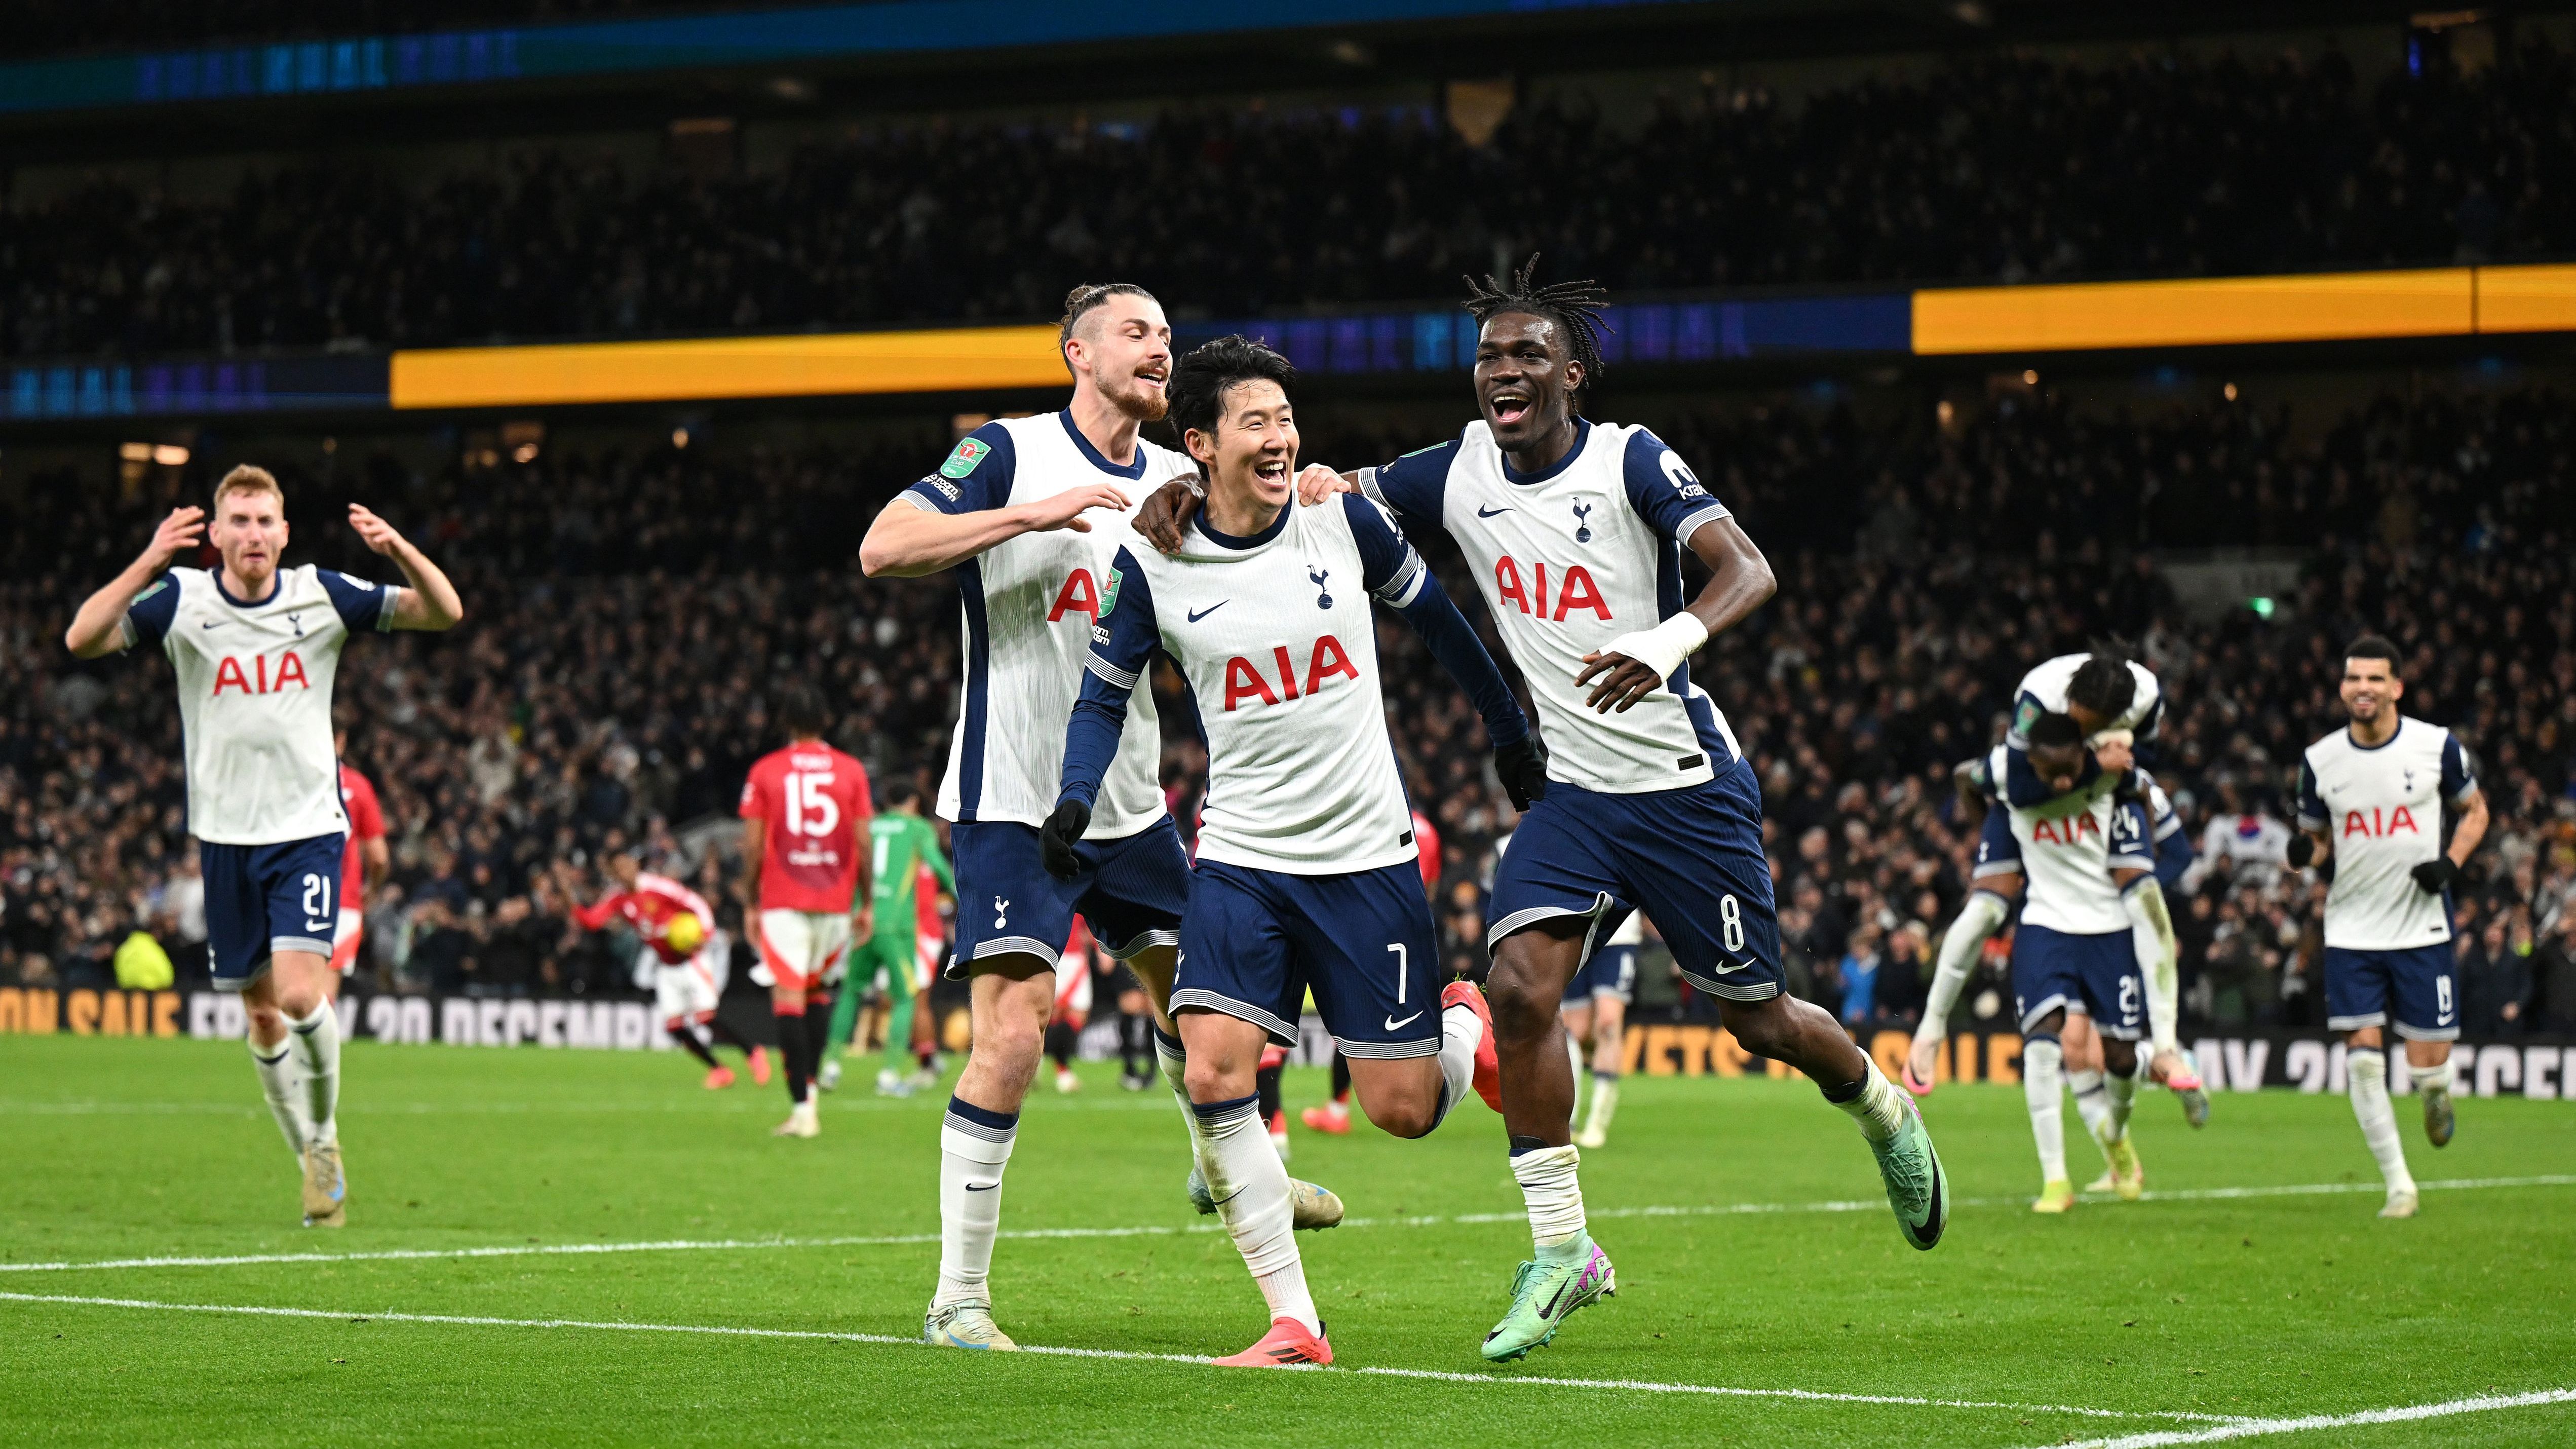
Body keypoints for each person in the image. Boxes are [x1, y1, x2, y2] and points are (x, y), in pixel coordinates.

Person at [1139, 262, 1946, 1364]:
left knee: (1758, 1019)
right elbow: (1307, 488)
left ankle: (1878, 1105)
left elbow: (1747, 569)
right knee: (1519, 989)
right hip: (1572, 799)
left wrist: (1666, 640)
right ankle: (1564, 1247)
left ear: (1572, 374)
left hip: (1683, 788)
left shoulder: (1630, 458)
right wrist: (1182, 494)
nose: (1503, 371)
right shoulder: (1455, 469)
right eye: (1489, 357)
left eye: (1528, 354)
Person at [860, 284, 1337, 1355]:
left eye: (1166, 335)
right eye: (1136, 332)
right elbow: (883, 546)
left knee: (1210, 1019)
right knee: (1012, 1035)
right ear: (1078, 352)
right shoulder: (1009, 451)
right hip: (1009, 798)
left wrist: (1311, 490)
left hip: (1130, 806)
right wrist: (1028, 516)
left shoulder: (1180, 476)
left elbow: (1273, 548)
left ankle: (1225, 1164)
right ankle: (957, 1301)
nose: (1159, 348)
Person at [1056, 334, 1537, 1367]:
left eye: (1285, 419)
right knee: (1212, 1068)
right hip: (1242, 856)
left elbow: (1444, 625)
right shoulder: (1155, 557)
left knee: (1402, 1110)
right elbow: (1101, 699)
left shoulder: (1339, 519)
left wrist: (1510, 733)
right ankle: (1295, 1323)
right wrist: (1072, 798)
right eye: (1256, 422)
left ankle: (1465, 1025)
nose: (1280, 438)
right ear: (1200, 443)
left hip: (1365, 856)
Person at [63, 464, 464, 1227]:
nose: (253, 534)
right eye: (239, 521)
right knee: (262, 1018)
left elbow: (443, 612)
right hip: (225, 838)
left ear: (284, 533)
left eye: (264, 521)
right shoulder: (182, 599)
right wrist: (150, 559)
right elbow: (82, 638)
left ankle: (325, 1137)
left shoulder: (322, 594)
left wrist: (399, 550)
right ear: (216, 535)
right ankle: (309, 1154)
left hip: (306, 830)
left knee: (302, 997)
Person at [1911, 648, 2208, 1131]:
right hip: (2034, 810)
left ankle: (2166, 1050)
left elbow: (2144, 766)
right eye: (2076, 716)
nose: (2078, 722)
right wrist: (2092, 772)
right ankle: (1930, 1029)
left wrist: (2120, 782)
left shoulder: (2145, 697)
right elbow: (2015, 786)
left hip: (2098, 832)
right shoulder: (2037, 699)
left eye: (2090, 723)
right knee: (1986, 910)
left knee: (2144, 901)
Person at [2290, 635, 2489, 1218]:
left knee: (2429, 1065)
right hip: (2351, 930)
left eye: (2375, 679)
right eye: (2354, 678)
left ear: (2397, 686)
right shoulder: (2320, 760)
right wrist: (2305, 852)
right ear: (2342, 687)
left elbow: (2475, 810)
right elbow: (2317, 842)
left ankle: (2436, 1093)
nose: (2364, 688)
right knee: (2363, 1058)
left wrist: (2451, 863)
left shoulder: (2435, 746)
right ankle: (2399, 1184)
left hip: (2420, 928)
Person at [1956, 717, 2165, 1210]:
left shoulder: (2114, 777)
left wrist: (2142, 839)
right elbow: (1964, 776)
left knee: (2116, 1058)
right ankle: (2055, 1179)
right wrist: (1990, 830)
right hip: (2044, 924)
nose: (2061, 781)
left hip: (2108, 928)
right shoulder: (2016, 784)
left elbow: (2150, 818)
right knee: (2046, 1042)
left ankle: (2116, 1136)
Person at [739, 688, 872, 1137]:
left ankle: (802, 1110)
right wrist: (867, 902)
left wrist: (750, 901)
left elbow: (753, 846)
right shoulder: (851, 771)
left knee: (790, 998)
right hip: (835, 899)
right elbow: (863, 842)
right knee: (817, 995)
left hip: (784, 897)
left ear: (786, 723)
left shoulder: (766, 770)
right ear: (826, 721)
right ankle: (809, 1100)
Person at [563, 850, 765, 1089]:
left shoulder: (657, 887)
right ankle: (719, 1070)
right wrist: (569, 897)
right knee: (675, 1027)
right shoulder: (617, 898)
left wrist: (706, 932)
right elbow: (591, 921)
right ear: (613, 873)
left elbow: (694, 902)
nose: (626, 871)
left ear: (635, 865)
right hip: (667, 966)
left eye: (628, 865)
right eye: (619, 868)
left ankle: (752, 1052)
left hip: (692, 958)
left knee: (705, 1018)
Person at [1305, 806, 1441, 1135]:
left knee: (1353, 1022)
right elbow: (1432, 886)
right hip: (1412, 931)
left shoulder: (1371, 817)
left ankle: (1338, 1110)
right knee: (1409, 1021)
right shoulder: (1427, 830)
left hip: (1372, 929)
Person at [820, 781, 952, 1095]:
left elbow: (849, 871)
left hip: (864, 922)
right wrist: (966, 897)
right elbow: (937, 866)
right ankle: (889, 1075)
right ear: (913, 802)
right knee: (906, 997)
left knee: (851, 992)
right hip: (897, 927)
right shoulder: (918, 828)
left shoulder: (868, 826)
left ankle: (830, 1067)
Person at [1563, 911, 1638, 1149]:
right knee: (1572, 1031)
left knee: (1608, 1023)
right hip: (1575, 930)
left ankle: (1597, 1123)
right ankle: (1567, 1121)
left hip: (1619, 933)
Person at [326, 731, 389, 1000]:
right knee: (323, 998)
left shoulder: (289, 782)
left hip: (290, 897)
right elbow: (379, 858)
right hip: (343, 902)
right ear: (341, 739)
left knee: (288, 993)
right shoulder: (357, 785)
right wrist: (372, 889)